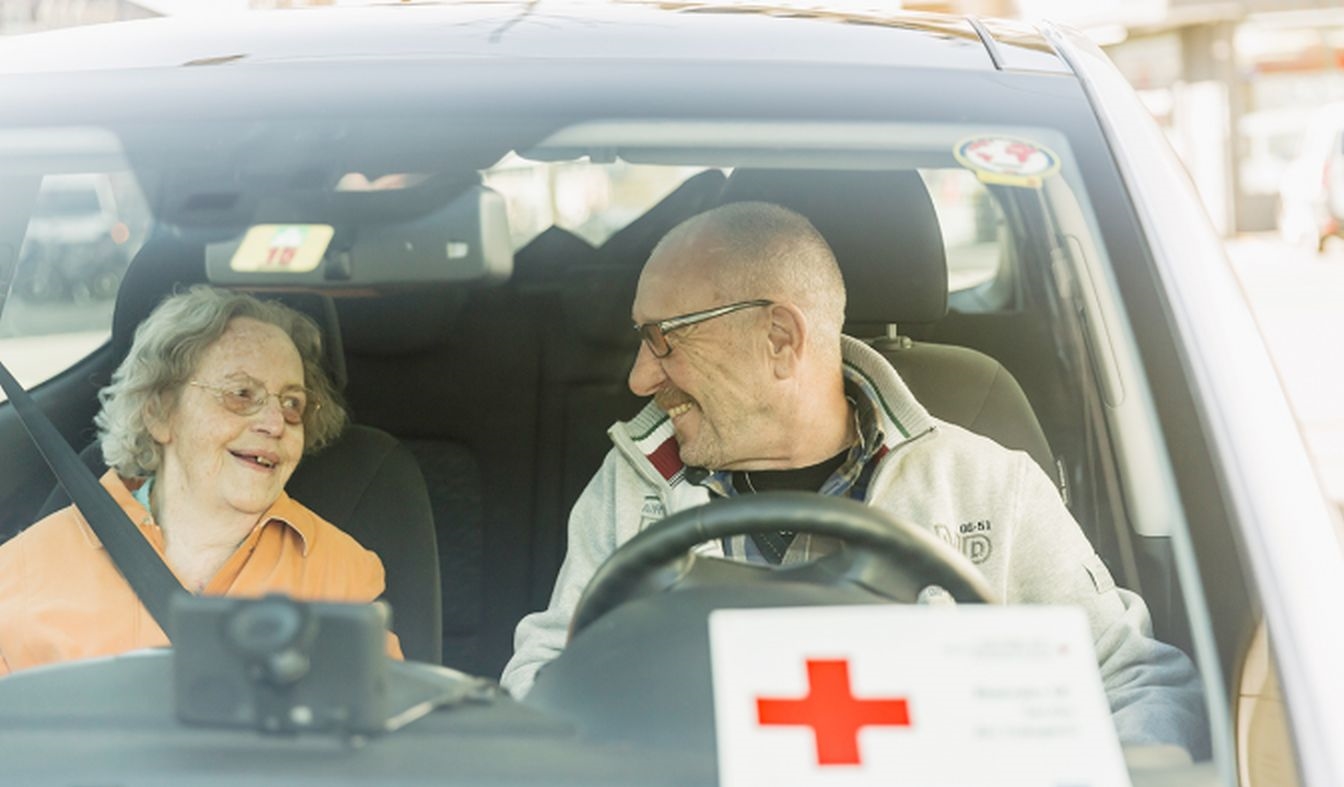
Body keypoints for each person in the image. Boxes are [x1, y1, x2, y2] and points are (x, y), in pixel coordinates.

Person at [501, 201, 1208, 756]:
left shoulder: (988, 488)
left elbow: (1135, 681)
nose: (639, 376)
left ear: (780, 339)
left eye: (665, 338)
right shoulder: (631, 484)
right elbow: (544, 683)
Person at [0, 285, 401, 676]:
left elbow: (387, 734)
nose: (276, 423)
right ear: (159, 412)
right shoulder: (16, 576)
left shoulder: (344, 574)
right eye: (241, 393)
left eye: (292, 403)